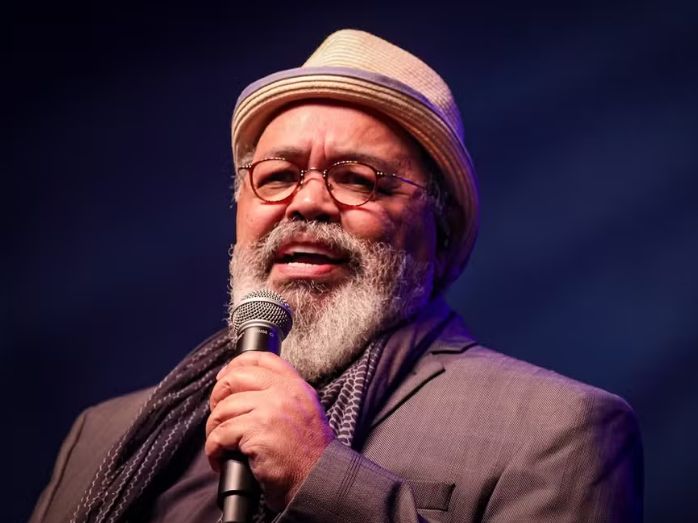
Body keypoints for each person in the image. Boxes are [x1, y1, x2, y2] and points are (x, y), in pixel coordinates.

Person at [30, 29, 643, 523]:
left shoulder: (556, 432)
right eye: (276, 176)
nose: (307, 203)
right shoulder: (107, 437)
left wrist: (322, 477)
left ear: (442, 229)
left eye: (357, 178)